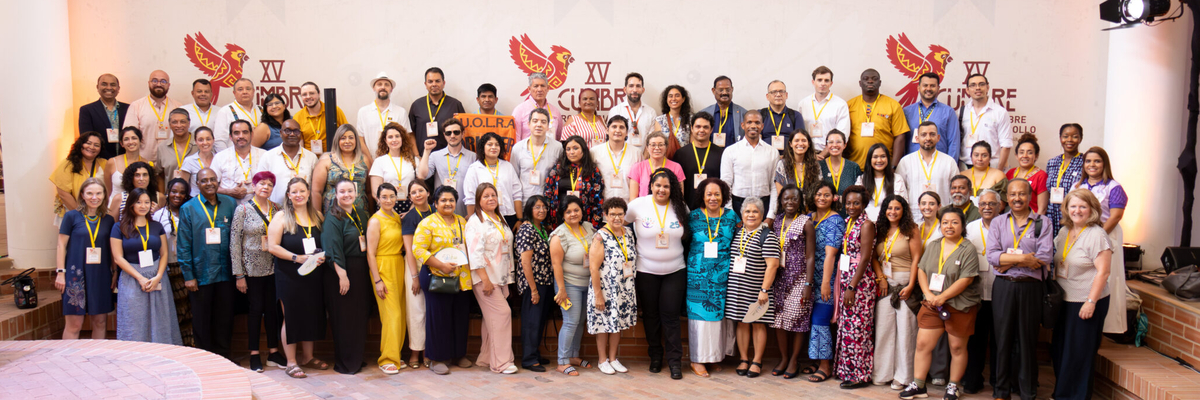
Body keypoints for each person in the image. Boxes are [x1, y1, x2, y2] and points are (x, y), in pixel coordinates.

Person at [902, 207, 981, 400]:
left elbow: (967, 279)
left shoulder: (968, 248)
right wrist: (928, 293)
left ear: (962, 226)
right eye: (945, 222)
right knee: (922, 344)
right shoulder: (934, 244)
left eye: (955, 222)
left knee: (957, 347)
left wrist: (942, 297)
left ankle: (953, 386)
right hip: (931, 303)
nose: (949, 226)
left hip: (960, 305)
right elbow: (921, 270)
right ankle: (919, 385)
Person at [986, 179, 1054, 400]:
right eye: (1013, 194)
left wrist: (1008, 261)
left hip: (1031, 288)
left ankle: (1028, 392)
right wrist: (1024, 258)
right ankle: (1001, 391)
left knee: (1027, 340)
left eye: (1022, 194)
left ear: (1030, 196)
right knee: (1002, 339)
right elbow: (992, 256)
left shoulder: (1043, 222)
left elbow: (1044, 257)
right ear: (1006, 197)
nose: (1017, 198)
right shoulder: (998, 222)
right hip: (1004, 287)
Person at [625, 169, 691, 379]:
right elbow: (620, 224)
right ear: (651, 186)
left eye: (666, 186)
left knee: (670, 317)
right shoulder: (637, 205)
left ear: (672, 189)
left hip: (675, 270)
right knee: (651, 316)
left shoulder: (681, 207)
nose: (661, 189)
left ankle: (675, 362)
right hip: (646, 271)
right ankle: (655, 356)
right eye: (658, 185)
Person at [1051, 189, 1114, 400]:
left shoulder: (1096, 234)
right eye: (1073, 206)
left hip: (1086, 301)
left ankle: (1076, 397)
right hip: (1065, 301)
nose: (1077, 211)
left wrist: (1090, 301)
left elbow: (1103, 272)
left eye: (1082, 206)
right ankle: (1062, 394)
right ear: (1066, 209)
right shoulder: (1063, 232)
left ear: (1092, 209)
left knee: (1079, 353)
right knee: (1062, 350)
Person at [266, 178, 330, 379]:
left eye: (302, 191)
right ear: (288, 195)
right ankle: (291, 362)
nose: (299, 195)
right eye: (294, 192)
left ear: (309, 193)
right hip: (289, 275)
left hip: (314, 275)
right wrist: (297, 258)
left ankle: (308, 357)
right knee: (292, 317)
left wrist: (321, 257)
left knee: (310, 315)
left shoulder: (317, 216)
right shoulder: (282, 217)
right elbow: (272, 246)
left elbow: (325, 243)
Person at [412, 186, 475, 375]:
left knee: (460, 317)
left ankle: (459, 354)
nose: (448, 203)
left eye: (451, 200)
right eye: (443, 200)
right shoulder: (428, 223)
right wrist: (441, 265)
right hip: (437, 277)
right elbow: (418, 250)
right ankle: (436, 358)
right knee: (438, 318)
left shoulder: (462, 222)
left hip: (462, 278)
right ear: (436, 203)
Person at [178, 169, 237, 360]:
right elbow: (184, 244)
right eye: (204, 180)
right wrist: (188, 276)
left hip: (226, 272)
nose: (209, 183)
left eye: (212, 179)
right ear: (197, 184)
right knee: (202, 320)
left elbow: (237, 238)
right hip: (201, 272)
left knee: (225, 318)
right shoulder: (188, 208)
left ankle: (224, 358)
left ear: (218, 182)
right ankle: (206, 360)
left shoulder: (230, 203)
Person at [111, 188, 182, 344]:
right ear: (131, 205)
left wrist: (158, 276)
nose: (143, 206)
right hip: (132, 277)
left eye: (146, 202)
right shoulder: (119, 227)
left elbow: (164, 254)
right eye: (138, 202)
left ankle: (163, 355)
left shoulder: (156, 226)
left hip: (157, 276)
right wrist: (140, 278)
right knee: (134, 320)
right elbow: (118, 257)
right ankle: (134, 357)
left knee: (161, 318)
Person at [230, 172, 285, 372]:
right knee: (255, 311)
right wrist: (239, 275)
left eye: (270, 184)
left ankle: (273, 352)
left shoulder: (278, 209)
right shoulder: (242, 210)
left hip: (274, 267)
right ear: (254, 186)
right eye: (261, 183)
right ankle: (254, 354)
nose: (266, 187)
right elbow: (234, 244)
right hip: (251, 269)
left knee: (273, 311)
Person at [684, 178, 739, 377]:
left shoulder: (732, 216)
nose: (713, 198)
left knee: (718, 318)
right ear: (702, 196)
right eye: (709, 194)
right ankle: (697, 359)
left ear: (723, 196)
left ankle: (714, 356)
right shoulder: (694, 216)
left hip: (723, 275)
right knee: (700, 317)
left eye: (717, 194)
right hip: (697, 275)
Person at [1073, 147, 1129, 335]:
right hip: (1081, 236)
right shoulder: (1078, 186)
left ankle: (1109, 327)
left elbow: (1115, 216)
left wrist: (1097, 235)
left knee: (1107, 278)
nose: (1092, 165)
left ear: (1104, 164)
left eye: (1097, 161)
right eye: (1088, 161)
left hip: (1106, 235)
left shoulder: (1114, 187)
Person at [870, 195, 924, 389]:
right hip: (885, 285)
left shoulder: (911, 229)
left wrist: (911, 285)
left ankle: (903, 376)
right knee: (883, 329)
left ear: (904, 211)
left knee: (906, 331)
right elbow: (874, 257)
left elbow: (917, 259)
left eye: (897, 208)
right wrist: (880, 278)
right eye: (889, 208)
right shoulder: (881, 230)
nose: (893, 212)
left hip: (905, 284)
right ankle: (882, 373)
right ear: (884, 210)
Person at [464, 183, 518, 374]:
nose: (490, 199)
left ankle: (486, 358)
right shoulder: (475, 222)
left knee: (491, 320)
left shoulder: (498, 218)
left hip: (500, 277)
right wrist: (485, 279)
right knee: (503, 314)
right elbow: (474, 253)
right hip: (485, 278)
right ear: (478, 199)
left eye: (493, 195)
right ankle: (502, 363)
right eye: (486, 196)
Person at [726, 196, 781, 379]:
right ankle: (743, 359)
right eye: (747, 211)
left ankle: (756, 361)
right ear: (742, 214)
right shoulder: (737, 233)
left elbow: (773, 265)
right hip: (737, 289)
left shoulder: (767, 235)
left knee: (758, 324)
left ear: (762, 214)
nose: (751, 215)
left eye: (755, 211)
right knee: (741, 323)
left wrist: (764, 290)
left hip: (758, 290)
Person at [321, 179, 373, 374]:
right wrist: (342, 274)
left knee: (358, 316)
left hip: (360, 271)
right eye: (342, 192)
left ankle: (356, 357)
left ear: (356, 192)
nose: (346, 195)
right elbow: (332, 248)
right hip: (341, 271)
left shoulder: (361, 214)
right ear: (336, 195)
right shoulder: (333, 217)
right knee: (344, 318)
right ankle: (345, 362)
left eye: (350, 191)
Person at [56, 178, 115, 339]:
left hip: (101, 275)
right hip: (75, 275)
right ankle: (67, 361)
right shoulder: (71, 217)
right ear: (82, 194)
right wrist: (60, 273)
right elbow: (61, 245)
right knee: (75, 324)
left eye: (98, 193)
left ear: (104, 195)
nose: (94, 197)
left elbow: (112, 249)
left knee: (100, 322)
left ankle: (96, 360)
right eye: (89, 193)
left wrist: (114, 273)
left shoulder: (108, 220)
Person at [588, 198, 639, 375]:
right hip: (605, 288)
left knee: (617, 324)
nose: (616, 218)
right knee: (604, 324)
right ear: (605, 215)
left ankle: (613, 358)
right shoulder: (600, 236)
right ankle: (602, 360)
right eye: (612, 214)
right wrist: (598, 295)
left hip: (623, 288)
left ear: (625, 215)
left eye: (620, 214)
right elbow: (594, 267)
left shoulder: (628, 233)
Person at [771, 185, 817, 379]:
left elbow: (811, 256)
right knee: (779, 321)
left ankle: (794, 360)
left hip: (799, 280)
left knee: (798, 319)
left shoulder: (806, 222)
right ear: (781, 201)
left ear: (800, 202)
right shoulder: (777, 221)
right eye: (786, 199)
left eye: (794, 199)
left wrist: (808, 284)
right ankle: (783, 357)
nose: (790, 202)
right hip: (779, 278)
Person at [961, 188, 1003, 395]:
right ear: (978, 206)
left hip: (1000, 292)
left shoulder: (1006, 226)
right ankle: (972, 379)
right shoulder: (969, 227)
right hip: (975, 292)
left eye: (992, 204)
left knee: (999, 339)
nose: (987, 207)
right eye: (984, 204)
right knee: (975, 339)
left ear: (1000, 206)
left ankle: (998, 381)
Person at [836, 185, 878, 389]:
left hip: (860, 284)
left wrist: (852, 287)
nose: (851, 206)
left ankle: (860, 375)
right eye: (848, 203)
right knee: (847, 326)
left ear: (863, 204)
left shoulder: (867, 224)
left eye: (856, 203)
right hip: (847, 280)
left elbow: (864, 259)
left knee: (858, 329)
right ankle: (847, 370)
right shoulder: (849, 222)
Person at [548, 196, 596, 376]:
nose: (573, 214)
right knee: (570, 322)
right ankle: (562, 361)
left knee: (580, 321)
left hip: (588, 284)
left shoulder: (589, 227)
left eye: (576, 210)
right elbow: (556, 265)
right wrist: (561, 290)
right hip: (569, 285)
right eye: (568, 211)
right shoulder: (559, 235)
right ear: (562, 215)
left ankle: (574, 356)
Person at [366, 183, 407, 374]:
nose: (388, 200)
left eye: (392, 196)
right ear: (378, 198)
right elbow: (370, 254)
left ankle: (396, 354)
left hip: (398, 265)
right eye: (384, 197)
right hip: (383, 267)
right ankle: (387, 358)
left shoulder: (396, 217)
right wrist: (377, 280)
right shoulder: (375, 221)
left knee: (400, 313)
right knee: (391, 315)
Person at [807, 181, 845, 383]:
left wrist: (824, 283)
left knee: (821, 321)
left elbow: (831, 255)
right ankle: (814, 360)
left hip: (826, 278)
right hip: (807, 278)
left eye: (827, 195)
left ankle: (825, 365)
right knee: (809, 320)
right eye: (818, 194)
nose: (822, 198)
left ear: (834, 198)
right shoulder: (808, 218)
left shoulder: (836, 221)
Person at [153, 178, 194, 347]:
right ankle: (177, 346)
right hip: (169, 267)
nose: (178, 195)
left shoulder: (191, 211)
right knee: (175, 309)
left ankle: (191, 346)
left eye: (182, 192)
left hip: (188, 266)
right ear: (168, 192)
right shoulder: (158, 215)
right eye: (174, 191)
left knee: (190, 309)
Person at [518, 196, 557, 372]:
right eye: (537, 207)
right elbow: (526, 262)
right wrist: (533, 289)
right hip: (533, 284)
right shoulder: (526, 229)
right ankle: (528, 359)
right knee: (531, 321)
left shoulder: (541, 228)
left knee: (540, 321)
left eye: (544, 207)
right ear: (529, 209)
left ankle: (534, 353)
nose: (541, 210)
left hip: (545, 281)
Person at [400, 180, 434, 369]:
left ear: (428, 192)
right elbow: (409, 249)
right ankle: (415, 351)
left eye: (421, 190)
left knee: (432, 309)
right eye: (413, 192)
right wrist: (415, 276)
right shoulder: (410, 217)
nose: (418, 194)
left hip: (435, 262)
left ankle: (430, 351)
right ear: (410, 197)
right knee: (416, 309)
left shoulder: (436, 211)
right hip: (416, 265)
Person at [846, 69, 909, 168]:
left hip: (883, 166)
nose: (870, 81)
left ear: (879, 83)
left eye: (874, 79)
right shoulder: (849, 105)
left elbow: (900, 136)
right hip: (854, 166)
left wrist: (893, 166)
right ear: (860, 83)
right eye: (866, 79)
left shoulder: (893, 105)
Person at [720, 110, 777, 219]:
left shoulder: (772, 152)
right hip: (738, 204)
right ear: (743, 125)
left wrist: (771, 215)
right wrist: (730, 213)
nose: (753, 126)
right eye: (749, 122)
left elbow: (774, 186)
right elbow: (726, 184)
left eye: (757, 122)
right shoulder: (730, 151)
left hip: (764, 204)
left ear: (762, 126)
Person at [896, 122, 959, 217]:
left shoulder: (949, 162)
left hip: (941, 217)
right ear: (917, 138)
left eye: (932, 134)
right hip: (913, 217)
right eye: (923, 135)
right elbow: (899, 192)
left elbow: (955, 191)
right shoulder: (905, 162)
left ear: (938, 138)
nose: (928, 138)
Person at [311, 124, 371, 218]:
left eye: (351, 138)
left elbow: (369, 191)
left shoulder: (364, 160)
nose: (347, 141)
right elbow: (316, 191)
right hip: (333, 216)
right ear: (337, 140)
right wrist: (317, 217)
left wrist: (371, 215)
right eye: (343, 138)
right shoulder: (327, 160)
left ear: (356, 140)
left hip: (360, 214)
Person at [418, 118, 476, 215]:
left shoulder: (473, 157)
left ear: (463, 134)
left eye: (456, 132)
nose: (452, 136)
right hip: (442, 210)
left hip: (466, 211)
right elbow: (422, 176)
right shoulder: (435, 155)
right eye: (448, 133)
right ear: (444, 135)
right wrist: (427, 151)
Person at [463, 133, 524, 225]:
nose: (494, 147)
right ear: (482, 148)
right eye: (490, 144)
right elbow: (470, 198)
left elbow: (517, 194)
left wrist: (519, 219)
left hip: (509, 216)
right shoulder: (474, 168)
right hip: (485, 217)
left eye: (497, 144)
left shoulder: (508, 166)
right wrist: (473, 223)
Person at [543, 136, 604, 227]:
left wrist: (594, 224)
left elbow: (598, 199)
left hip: (585, 218)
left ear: (583, 150)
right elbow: (548, 193)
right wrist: (548, 221)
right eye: (568, 149)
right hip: (560, 218)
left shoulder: (592, 170)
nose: (571, 152)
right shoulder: (558, 168)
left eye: (575, 148)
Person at [124, 70, 184, 160]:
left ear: (169, 85)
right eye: (155, 81)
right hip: (143, 161)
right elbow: (129, 135)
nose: (158, 84)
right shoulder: (136, 106)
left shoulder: (178, 107)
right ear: (149, 83)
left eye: (163, 81)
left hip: (171, 161)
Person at [959, 74, 1012, 170]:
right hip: (965, 166)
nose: (977, 88)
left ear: (987, 87)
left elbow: (1006, 144)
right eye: (973, 85)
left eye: (981, 84)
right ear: (967, 90)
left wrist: (998, 171)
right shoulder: (961, 112)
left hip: (991, 166)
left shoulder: (999, 112)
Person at [512, 109, 564, 206]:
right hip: (524, 203)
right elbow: (514, 179)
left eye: (543, 122)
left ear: (548, 126)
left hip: (548, 203)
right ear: (529, 124)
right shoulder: (517, 148)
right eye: (535, 121)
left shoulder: (558, 147)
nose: (539, 125)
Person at [673, 112, 725, 210]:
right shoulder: (680, 154)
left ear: (711, 130)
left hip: (713, 209)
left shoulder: (721, 154)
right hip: (687, 208)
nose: (701, 130)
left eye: (705, 127)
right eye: (698, 126)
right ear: (692, 129)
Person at [409, 67, 466, 153]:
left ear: (443, 83)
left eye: (437, 81)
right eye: (430, 81)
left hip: (449, 158)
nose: (434, 84)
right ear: (425, 84)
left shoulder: (455, 104)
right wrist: (417, 156)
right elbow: (410, 133)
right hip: (424, 158)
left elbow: (463, 132)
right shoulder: (416, 105)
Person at [798, 67, 850, 159]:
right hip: (806, 155)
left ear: (831, 83)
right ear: (813, 82)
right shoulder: (803, 104)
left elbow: (842, 134)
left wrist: (822, 155)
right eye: (819, 80)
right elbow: (799, 132)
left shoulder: (840, 104)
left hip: (832, 154)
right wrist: (809, 155)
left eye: (826, 80)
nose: (823, 83)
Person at [52, 132, 106, 221]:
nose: (92, 147)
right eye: (88, 143)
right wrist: (81, 216)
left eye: (96, 145)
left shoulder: (104, 163)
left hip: (98, 214)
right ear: (81, 144)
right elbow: (63, 193)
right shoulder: (68, 164)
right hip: (73, 214)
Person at [903, 73, 960, 156]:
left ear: (938, 88)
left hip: (939, 163)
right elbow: (901, 141)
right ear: (918, 88)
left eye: (932, 86)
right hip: (912, 164)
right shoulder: (907, 111)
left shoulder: (948, 112)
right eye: (925, 85)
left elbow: (954, 143)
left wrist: (950, 166)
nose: (928, 89)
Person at [356, 72, 412, 155]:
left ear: (391, 89)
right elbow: (360, 139)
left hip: (395, 161)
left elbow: (406, 138)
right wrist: (370, 160)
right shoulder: (363, 112)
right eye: (379, 84)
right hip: (371, 161)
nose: (383, 87)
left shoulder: (400, 112)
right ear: (374, 88)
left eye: (386, 84)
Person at [369, 122, 420, 213]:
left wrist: (410, 212)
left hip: (411, 208)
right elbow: (375, 192)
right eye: (390, 137)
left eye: (397, 136)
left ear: (402, 138)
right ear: (385, 140)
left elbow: (419, 187)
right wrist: (390, 210)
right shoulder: (379, 162)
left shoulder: (412, 160)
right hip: (387, 208)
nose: (394, 140)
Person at [212, 120, 267, 204]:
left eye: (245, 132)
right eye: (236, 133)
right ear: (231, 137)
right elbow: (211, 186)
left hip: (258, 208)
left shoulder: (264, 155)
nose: (241, 136)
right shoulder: (220, 157)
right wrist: (229, 192)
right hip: (228, 207)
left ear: (251, 135)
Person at [1047, 123, 1086, 236]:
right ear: (1060, 138)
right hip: (1052, 213)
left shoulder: (1084, 162)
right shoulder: (1052, 162)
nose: (1069, 140)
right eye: (1065, 136)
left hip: (1074, 213)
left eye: (1074, 136)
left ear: (1080, 139)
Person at [79, 73, 129, 160]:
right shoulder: (87, 110)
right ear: (97, 87)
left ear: (118, 88)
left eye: (113, 85)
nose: (109, 88)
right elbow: (87, 139)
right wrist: (108, 160)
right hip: (99, 160)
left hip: (125, 160)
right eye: (104, 84)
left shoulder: (129, 108)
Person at [772, 130, 821, 214]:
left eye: (804, 140)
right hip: (788, 212)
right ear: (791, 144)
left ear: (809, 144)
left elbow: (818, 191)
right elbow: (781, 195)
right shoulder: (782, 164)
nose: (800, 144)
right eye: (797, 140)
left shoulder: (815, 165)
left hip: (811, 212)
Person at [856, 143, 908, 222]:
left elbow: (903, 205)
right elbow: (856, 205)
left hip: (890, 223)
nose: (879, 160)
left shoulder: (897, 179)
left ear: (888, 158)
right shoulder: (861, 179)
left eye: (883, 156)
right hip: (866, 224)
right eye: (875, 157)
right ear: (869, 159)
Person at [293, 82, 348, 154]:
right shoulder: (297, 117)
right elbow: (300, 143)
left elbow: (346, 133)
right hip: (310, 160)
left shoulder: (334, 110)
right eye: (304, 94)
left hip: (333, 158)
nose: (308, 97)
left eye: (312, 93)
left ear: (319, 94)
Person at [591, 116, 638, 201]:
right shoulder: (595, 152)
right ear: (607, 130)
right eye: (614, 127)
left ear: (627, 132)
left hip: (627, 205)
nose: (618, 130)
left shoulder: (636, 153)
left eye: (622, 127)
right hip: (602, 205)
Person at [608, 73, 657, 152]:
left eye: (638, 86)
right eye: (631, 86)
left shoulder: (651, 112)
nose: (634, 90)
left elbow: (652, 140)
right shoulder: (615, 111)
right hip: (621, 159)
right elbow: (612, 138)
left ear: (642, 90)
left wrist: (643, 160)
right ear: (625, 89)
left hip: (644, 159)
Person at [513, 72, 566, 142]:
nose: (539, 89)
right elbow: (516, 140)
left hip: (550, 152)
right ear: (529, 89)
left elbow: (558, 138)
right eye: (536, 86)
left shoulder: (555, 111)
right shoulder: (519, 110)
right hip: (527, 152)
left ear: (548, 88)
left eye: (542, 86)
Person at [212, 79, 259, 153]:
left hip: (259, 157)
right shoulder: (225, 111)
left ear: (253, 91)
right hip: (234, 159)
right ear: (234, 93)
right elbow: (219, 141)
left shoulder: (262, 110)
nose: (245, 92)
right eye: (240, 89)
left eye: (248, 89)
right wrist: (228, 159)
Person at [760, 80, 806, 155]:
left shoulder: (795, 115)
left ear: (786, 95)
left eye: (781, 91)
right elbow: (755, 141)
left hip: (789, 159)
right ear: (767, 96)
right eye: (774, 92)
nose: (778, 95)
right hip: (765, 158)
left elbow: (801, 142)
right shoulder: (760, 115)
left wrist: (787, 158)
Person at [103, 127, 151, 199]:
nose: (130, 142)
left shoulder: (148, 164)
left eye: (134, 138)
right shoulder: (112, 162)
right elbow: (107, 190)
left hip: (139, 206)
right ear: (121, 143)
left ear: (141, 141)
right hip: (115, 206)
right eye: (126, 139)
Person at [1006, 133, 1048, 214]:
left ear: (1036, 156)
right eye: (1021, 152)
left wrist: (1035, 225)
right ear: (1016, 155)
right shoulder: (1010, 173)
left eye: (1029, 152)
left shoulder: (1041, 176)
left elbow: (1042, 209)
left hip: (1031, 221)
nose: (1025, 156)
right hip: (1011, 220)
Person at [155, 108, 197, 188]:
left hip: (196, 196)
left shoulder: (199, 144)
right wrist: (163, 196)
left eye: (182, 122)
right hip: (172, 196)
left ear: (189, 123)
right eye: (174, 122)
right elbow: (160, 175)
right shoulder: (162, 147)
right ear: (170, 124)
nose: (179, 125)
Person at [700, 76, 747, 147]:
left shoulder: (743, 114)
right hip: (709, 155)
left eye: (728, 90)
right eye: (721, 90)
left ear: (732, 90)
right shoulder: (703, 114)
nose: (725, 93)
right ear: (713, 91)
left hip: (735, 156)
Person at [651, 84, 693, 156]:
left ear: (683, 99)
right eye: (670, 96)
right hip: (665, 160)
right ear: (666, 99)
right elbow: (657, 143)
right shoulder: (660, 120)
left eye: (677, 95)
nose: (673, 99)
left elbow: (693, 144)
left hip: (685, 159)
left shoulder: (691, 119)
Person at [820, 130, 863, 199]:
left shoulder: (853, 167)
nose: (834, 145)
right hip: (824, 208)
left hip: (849, 208)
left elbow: (859, 194)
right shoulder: (819, 166)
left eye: (838, 142)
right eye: (831, 142)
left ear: (845, 145)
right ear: (826, 146)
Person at [179, 127, 216, 197]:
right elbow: (183, 186)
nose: (205, 142)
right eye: (200, 140)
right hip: (196, 201)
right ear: (196, 142)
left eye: (208, 139)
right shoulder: (189, 161)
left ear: (213, 140)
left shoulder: (219, 159)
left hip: (216, 200)